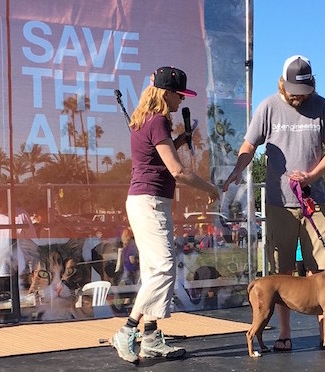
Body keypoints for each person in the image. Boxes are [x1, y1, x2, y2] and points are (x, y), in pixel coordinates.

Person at [222, 55, 325, 352]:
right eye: (293, 92)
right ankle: (284, 334)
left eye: (304, 92)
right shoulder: (268, 107)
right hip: (278, 205)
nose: (298, 97)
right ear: (282, 85)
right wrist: (238, 169)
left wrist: (312, 175)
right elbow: (249, 145)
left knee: (322, 270)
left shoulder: (323, 107)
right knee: (282, 273)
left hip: (315, 203)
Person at [109, 66, 220, 364]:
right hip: (149, 203)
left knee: (152, 270)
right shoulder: (157, 120)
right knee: (163, 268)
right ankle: (128, 330)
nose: (181, 101)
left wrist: (179, 141)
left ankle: (151, 336)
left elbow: (156, 156)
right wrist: (210, 189)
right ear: (166, 92)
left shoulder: (146, 119)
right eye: (179, 95)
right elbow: (177, 170)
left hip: (148, 201)